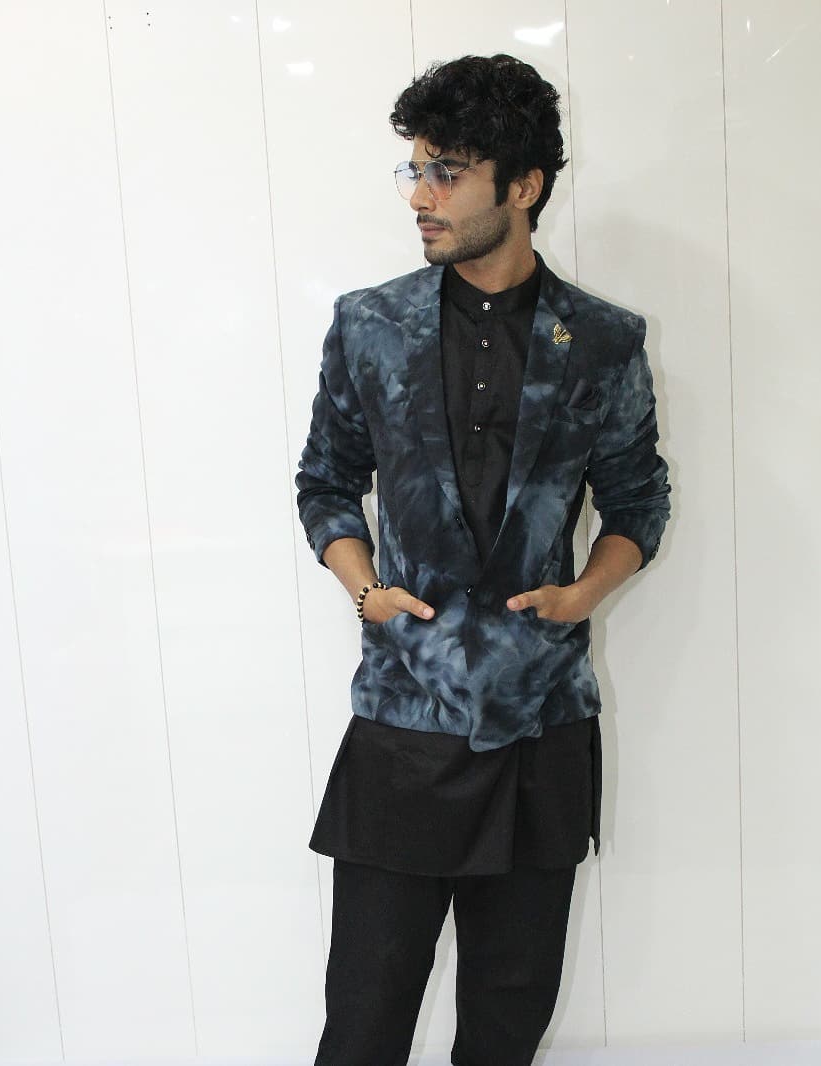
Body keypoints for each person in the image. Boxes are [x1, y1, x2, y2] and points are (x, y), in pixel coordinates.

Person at [296, 53, 671, 1066]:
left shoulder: (602, 342)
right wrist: (366, 590)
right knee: (364, 1022)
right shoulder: (371, 327)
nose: (420, 196)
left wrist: (582, 595)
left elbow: (639, 501)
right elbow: (325, 481)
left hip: (539, 724)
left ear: (525, 186)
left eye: (447, 172)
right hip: (404, 721)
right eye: (416, 170)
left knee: (506, 1027)